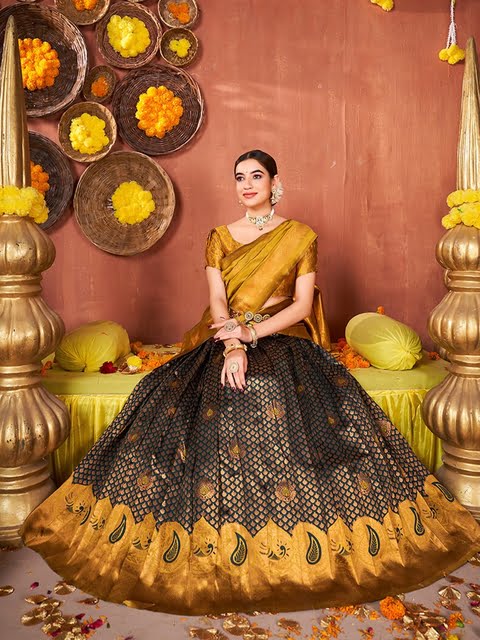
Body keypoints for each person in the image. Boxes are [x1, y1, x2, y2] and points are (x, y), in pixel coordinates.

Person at [22, 150, 480, 615]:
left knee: (277, 387)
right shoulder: (219, 237)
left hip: (283, 334)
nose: (246, 185)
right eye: (239, 177)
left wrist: (252, 334)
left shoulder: (300, 236)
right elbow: (218, 301)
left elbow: (301, 306)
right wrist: (232, 343)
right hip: (225, 334)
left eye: (256, 176)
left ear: (275, 182)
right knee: (186, 390)